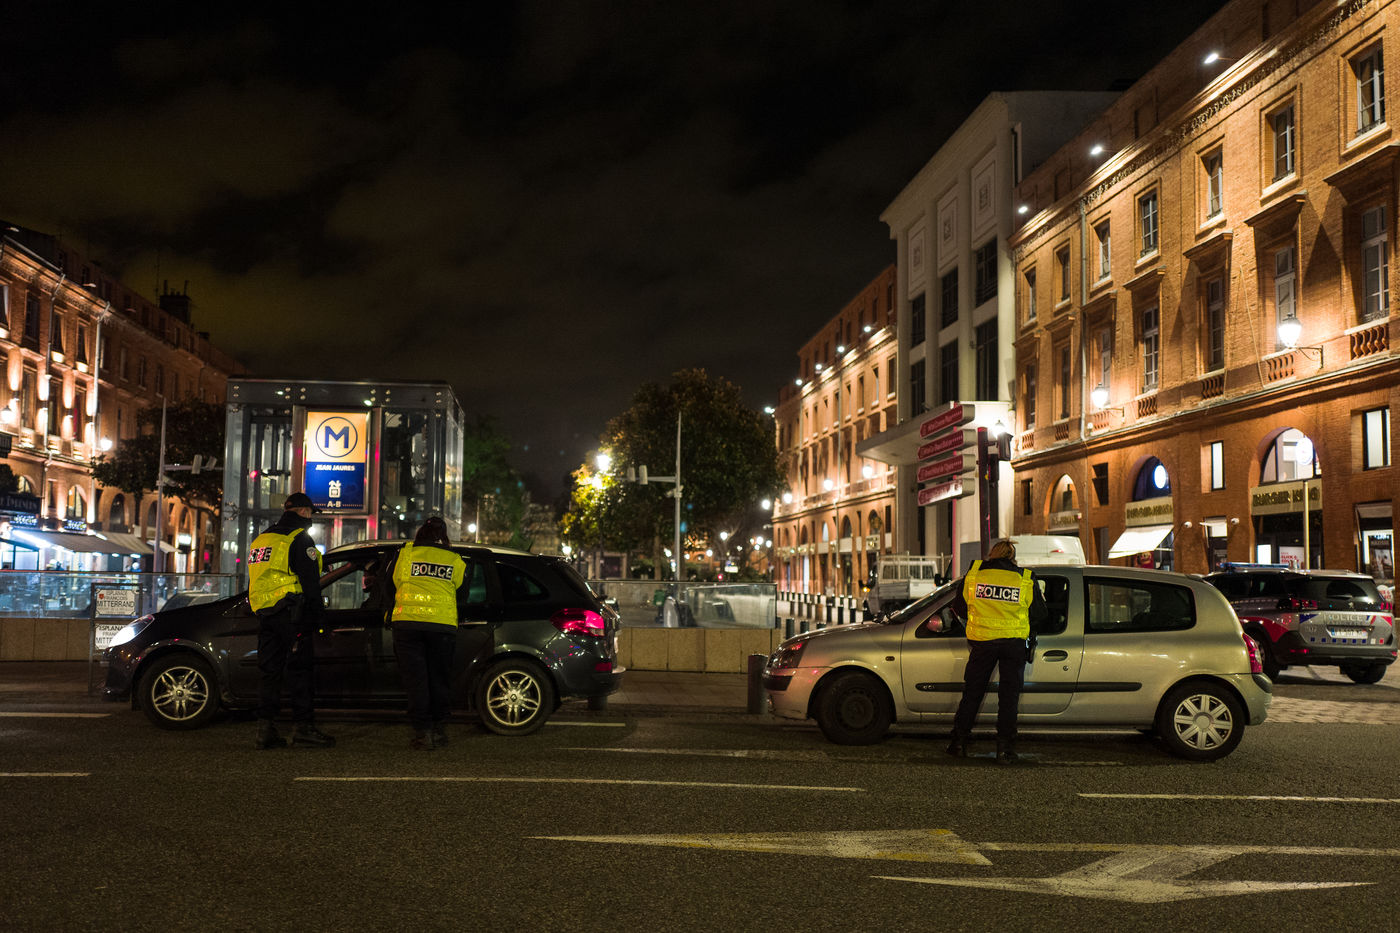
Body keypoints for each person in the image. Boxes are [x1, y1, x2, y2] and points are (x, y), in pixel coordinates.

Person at [946, 538, 1048, 765]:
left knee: (972, 693)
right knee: (1009, 698)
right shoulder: (1025, 578)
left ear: (992, 554)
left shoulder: (975, 574)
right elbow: (1040, 614)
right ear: (1012, 557)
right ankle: (1004, 750)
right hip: (1013, 644)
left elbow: (960, 607)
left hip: (983, 643)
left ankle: (958, 743)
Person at [247, 491, 335, 749]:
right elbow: (311, 585)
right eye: (310, 514)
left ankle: (264, 731)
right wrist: (320, 619)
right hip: (292, 615)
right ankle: (303, 728)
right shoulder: (299, 538)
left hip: (265, 614)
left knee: (270, 673)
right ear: (304, 512)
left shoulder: (261, 539)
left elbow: (266, 574)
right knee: (300, 672)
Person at [388, 516, 466, 750]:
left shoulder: (405, 554)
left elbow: (391, 584)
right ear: (444, 536)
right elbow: (461, 591)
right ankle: (439, 729)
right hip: (442, 626)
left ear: (420, 532)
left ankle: (423, 732)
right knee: (438, 679)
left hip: (407, 625)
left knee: (416, 681)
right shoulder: (454, 559)